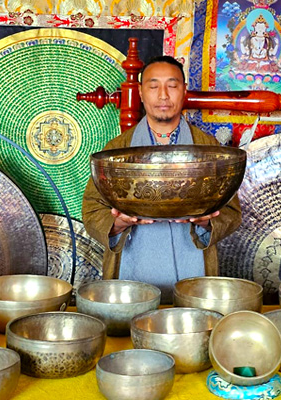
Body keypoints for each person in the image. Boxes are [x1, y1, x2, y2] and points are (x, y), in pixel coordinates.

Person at [83, 56, 242, 303]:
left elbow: (231, 211)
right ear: (141, 93)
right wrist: (118, 224)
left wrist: (205, 224)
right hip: (134, 263)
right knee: (134, 328)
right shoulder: (117, 149)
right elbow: (92, 210)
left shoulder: (208, 147)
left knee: (192, 328)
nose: (163, 95)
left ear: (184, 90)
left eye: (172, 85)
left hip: (193, 262)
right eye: (154, 86)